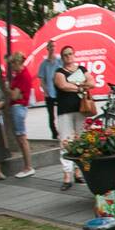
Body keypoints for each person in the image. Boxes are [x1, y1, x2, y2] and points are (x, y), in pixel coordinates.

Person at [53, 45, 94, 190]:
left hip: (81, 109)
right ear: (62, 57)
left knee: (80, 139)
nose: (68, 56)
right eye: (65, 55)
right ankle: (66, 175)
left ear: (74, 54)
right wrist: (80, 86)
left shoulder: (81, 69)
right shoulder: (59, 72)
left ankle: (78, 172)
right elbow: (63, 85)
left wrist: (77, 85)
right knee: (66, 141)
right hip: (65, 110)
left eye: (70, 53)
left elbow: (92, 82)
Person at [7, 53, 35, 178]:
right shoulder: (21, 75)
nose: (11, 67)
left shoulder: (22, 76)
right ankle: (27, 166)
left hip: (18, 108)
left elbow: (14, 96)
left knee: (22, 137)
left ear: (17, 63)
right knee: (21, 137)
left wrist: (6, 88)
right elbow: (17, 95)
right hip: (19, 107)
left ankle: (28, 167)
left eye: (12, 64)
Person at [37, 40, 60, 139]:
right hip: (49, 92)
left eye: (54, 46)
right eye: (50, 47)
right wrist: (45, 91)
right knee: (51, 115)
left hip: (59, 91)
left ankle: (63, 131)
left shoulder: (59, 61)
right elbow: (42, 80)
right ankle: (54, 133)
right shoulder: (43, 64)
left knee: (61, 113)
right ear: (47, 48)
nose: (52, 48)